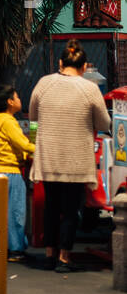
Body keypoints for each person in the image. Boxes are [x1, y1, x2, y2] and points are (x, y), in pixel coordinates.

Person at [29, 42, 112, 273]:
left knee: (51, 207)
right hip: (76, 160)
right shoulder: (89, 89)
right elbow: (104, 123)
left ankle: (48, 255)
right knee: (71, 210)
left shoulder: (44, 84)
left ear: (60, 63)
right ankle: (64, 258)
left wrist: (36, 142)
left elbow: (34, 118)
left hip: (48, 158)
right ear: (84, 67)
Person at [0, 85, 35, 261]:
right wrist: (41, 150)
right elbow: (22, 144)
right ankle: (16, 250)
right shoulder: (8, 122)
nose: (20, 100)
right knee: (16, 212)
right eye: (17, 97)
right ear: (10, 102)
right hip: (11, 173)